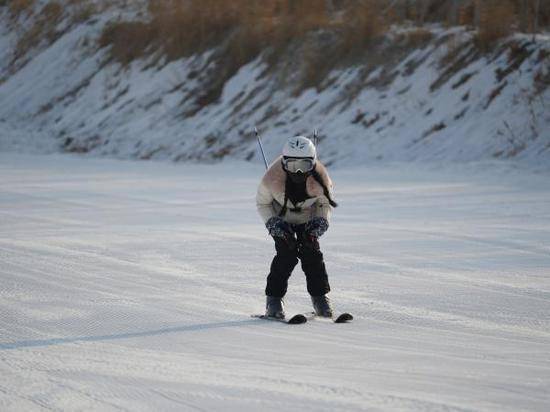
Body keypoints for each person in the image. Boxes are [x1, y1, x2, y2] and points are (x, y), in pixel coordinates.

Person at [256, 135, 338, 319]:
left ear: (314, 163)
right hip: (281, 221)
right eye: (293, 165)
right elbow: (262, 204)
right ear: (284, 163)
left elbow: (325, 204)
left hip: (307, 221)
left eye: (305, 165)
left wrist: (320, 222)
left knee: (312, 254)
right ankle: (274, 300)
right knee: (286, 255)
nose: (299, 171)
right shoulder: (271, 179)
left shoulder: (322, 180)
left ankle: (320, 298)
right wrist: (273, 223)